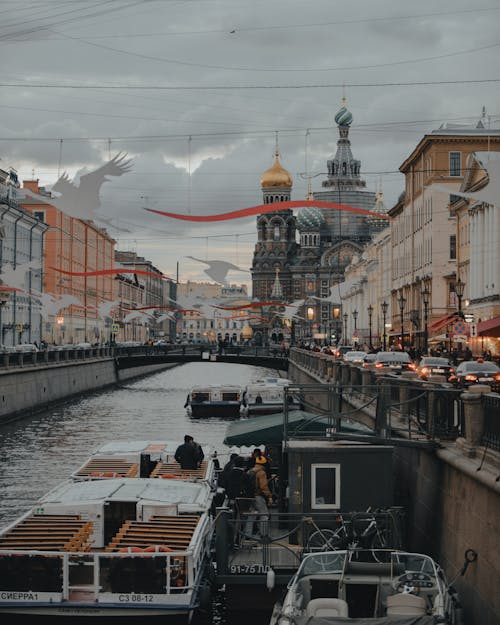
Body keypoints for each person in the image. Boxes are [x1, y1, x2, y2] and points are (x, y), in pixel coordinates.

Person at [244, 461, 273, 539]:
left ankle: (248, 535)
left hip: (250, 496)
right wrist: (269, 496)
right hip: (258, 496)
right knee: (264, 515)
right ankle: (264, 535)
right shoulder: (261, 473)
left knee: (251, 516)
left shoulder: (249, 471)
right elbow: (264, 486)